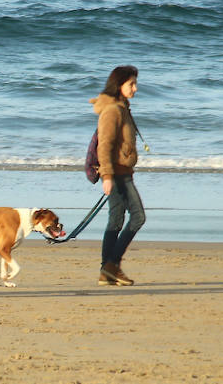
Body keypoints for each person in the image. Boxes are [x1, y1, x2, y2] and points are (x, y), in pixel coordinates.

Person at [91, 65, 145, 286]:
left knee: (116, 220)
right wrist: (107, 176)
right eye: (131, 84)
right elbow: (104, 146)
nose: (135, 88)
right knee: (138, 217)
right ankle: (112, 265)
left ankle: (106, 273)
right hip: (117, 174)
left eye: (135, 83)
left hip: (123, 172)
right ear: (119, 85)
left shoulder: (123, 107)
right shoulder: (113, 110)